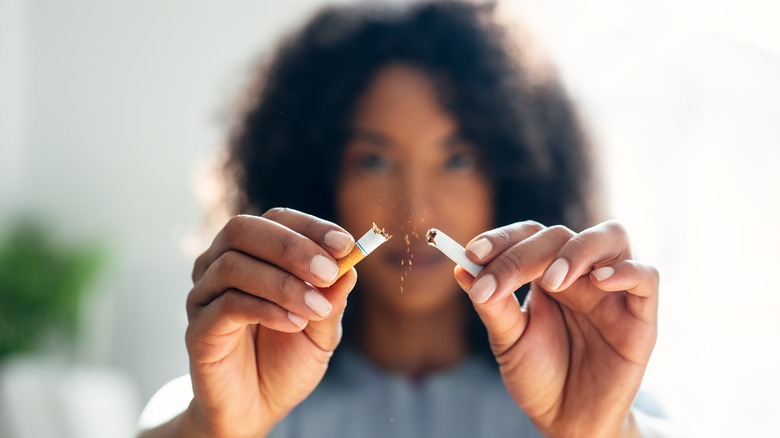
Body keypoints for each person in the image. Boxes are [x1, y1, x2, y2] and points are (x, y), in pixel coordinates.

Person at [139, 1, 671, 437]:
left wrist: (600, 433)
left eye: (457, 160)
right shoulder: (230, 398)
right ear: (322, 180)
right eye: (374, 160)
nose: (416, 212)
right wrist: (214, 432)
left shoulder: (598, 396)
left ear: (509, 179)